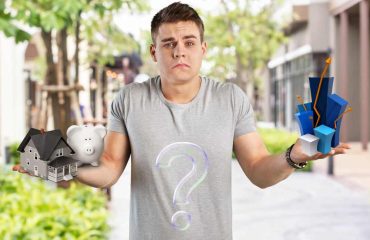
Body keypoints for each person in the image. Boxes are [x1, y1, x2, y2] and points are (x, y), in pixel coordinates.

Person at [14, 2, 350, 239]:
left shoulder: (230, 98)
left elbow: (259, 170)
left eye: (189, 42)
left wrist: (294, 156)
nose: (179, 51)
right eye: (169, 43)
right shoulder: (129, 100)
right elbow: (108, 169)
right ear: (154, 52)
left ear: (203, 49)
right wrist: (57, 163)